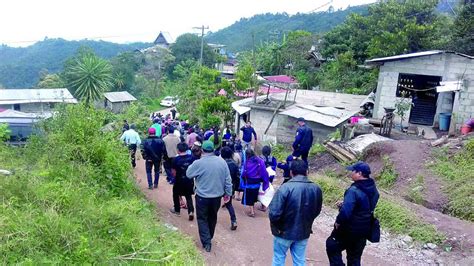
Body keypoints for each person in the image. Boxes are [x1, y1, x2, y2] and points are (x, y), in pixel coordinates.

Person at [269, 160, 323, 266]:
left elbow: (274, 213)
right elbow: (316, 210)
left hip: (283, 232)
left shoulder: (285, 188)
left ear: (291, 172)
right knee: (299, 260)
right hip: (303, 231)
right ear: (307, 172)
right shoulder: (316, 189)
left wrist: (277, 227)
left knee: (279, 258)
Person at [326, 161, 380, 266]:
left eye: (353, 171)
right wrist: (346, 204)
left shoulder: (353, 190)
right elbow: (365, 206)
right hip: (365, 228)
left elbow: (345, 213)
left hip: (349, 228)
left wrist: (338, 222)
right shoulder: (373, 188)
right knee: (354, 258)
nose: (351, 173)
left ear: (359, 173)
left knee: (332, 245)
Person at [186, 141, 233, 252]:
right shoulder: (222, 162)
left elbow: (188, 174)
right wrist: (228, 194)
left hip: (202, 197)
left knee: (202, 218)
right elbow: (228, 180)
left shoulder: (199, 163)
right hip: (217, 197)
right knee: (212, 217)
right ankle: (209, 237)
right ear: (213, 150)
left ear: (202, 150)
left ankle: (207, 242)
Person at [170, 142, 195, 221]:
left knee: (175, 194)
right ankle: (191, 211)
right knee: (188, 196)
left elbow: (173, 172)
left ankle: (177, 210)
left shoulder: (175, 159)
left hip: (179, 180)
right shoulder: (192, 158)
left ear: (178, 150)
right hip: (189, 180)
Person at [241, 148, 269, 217]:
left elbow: (244, 173)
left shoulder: (247, 162)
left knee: (249, 197)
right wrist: (265, 181)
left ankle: (252, 211)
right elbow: (264, 172)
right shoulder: (259, 161)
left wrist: (242, 178)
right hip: (257, 182)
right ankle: (252, 210)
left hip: (249, 182)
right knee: (254, 196)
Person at [220, 146, 239, 230]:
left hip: (220, 186)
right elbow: (237, 177)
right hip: (231, 186)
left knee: (215, 203)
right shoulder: (234, 164)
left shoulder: (221, 163)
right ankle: (233, 220)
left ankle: (209, 218)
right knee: (229, 204)